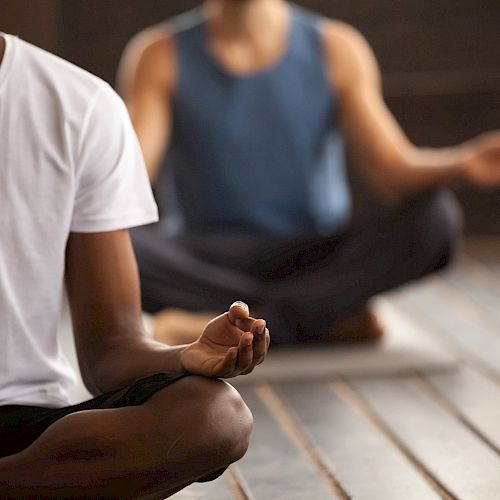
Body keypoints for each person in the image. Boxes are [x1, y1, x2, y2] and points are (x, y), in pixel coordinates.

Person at [120, 0, 500, 345]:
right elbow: (128, 181)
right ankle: (320, 319)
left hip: (312, 254)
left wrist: (462, 162)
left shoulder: (336, 46)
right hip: (206, 257)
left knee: (436, 219)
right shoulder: (159, 53)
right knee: (108, 242)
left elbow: (391, 169)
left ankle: (241, 324)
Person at [0, 32, 270, 498]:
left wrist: (187, 357)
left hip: (21, 424)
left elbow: (111, 349)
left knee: (214, 417)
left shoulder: (77, 104)